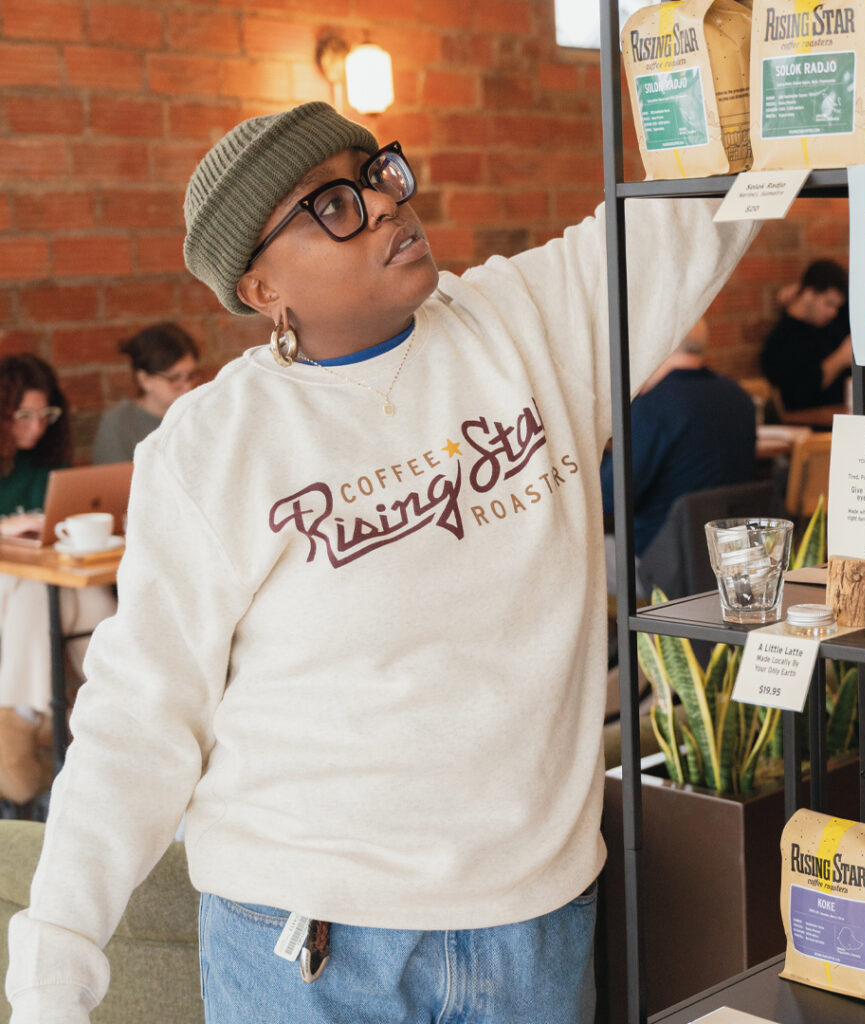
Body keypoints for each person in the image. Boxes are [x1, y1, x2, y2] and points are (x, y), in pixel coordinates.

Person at [6, 102, 756, 1023]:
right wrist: (55, 969)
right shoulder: (214, 444)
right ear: (260, 289)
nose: (384, 205)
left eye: (378, 174)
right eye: (332, 205)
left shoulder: (530, 326)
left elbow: (700, 200)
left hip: (536, 929)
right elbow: (140, 714)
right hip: (308, 944)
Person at [0, 355, 116, 805]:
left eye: (44, 415)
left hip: (31, 580)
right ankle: (27, 714)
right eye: (22, 416)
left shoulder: (41, 464)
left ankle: (112, 688)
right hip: (11, 585)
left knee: (76, 588)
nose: (35, 427)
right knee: (37, 587)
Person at [600, 319, 756, 556]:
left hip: (658, 560)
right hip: (727, 556)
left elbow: (611, 498)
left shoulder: (652, 407)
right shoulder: (739, 397)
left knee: (575, 557)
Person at [92, 323, 200, 464]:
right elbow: (112, 482)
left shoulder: (200, 412)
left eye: (191, 375)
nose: (188, 386)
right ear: (144, 379)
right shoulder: (119, 424)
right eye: (174, 378)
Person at [760, 258, 852, 411]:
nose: (833, 312)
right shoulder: (781, 341)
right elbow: (798, 394)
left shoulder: (834, 323)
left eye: (837, 307)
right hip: (813, 427)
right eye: (829, 304)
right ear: (809, 294)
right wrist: (840, 359)